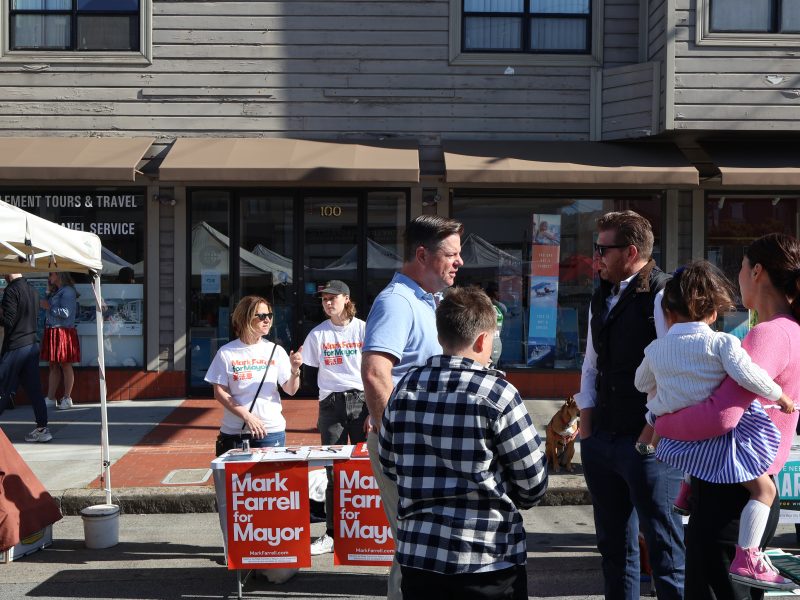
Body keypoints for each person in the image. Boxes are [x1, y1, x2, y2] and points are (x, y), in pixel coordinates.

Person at [634, 260, 795, 591]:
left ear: (666, 313)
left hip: (682, 441)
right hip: (725, 443)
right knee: (764, 490)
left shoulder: (655, 349)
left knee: (697, 462)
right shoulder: (722, 343)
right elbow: (749, 377)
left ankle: (684, 493)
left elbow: (640, 383)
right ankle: (747, 557)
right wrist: (780, 396)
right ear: (712, 313)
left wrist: (664, 385)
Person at [378, 286, 548, 600]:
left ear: (441, 335)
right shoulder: (499, 394)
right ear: (484, 339)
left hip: (420, 559)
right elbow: (533, 483)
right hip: (488, 560)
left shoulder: (403, 390)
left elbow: (389, 464)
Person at [574, 210, 684, 600]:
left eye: (603, 248)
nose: (597, 256)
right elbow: (591, 366)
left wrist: (648, 434)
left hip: (648, 446)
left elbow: (677, 374)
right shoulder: (601, 293)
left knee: (666, 551)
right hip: (603, 438)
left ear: (631, 252)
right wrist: (588, 433)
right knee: (614, 552)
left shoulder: (661, 295)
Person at [362, 214, 464, 600]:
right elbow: (374, 373)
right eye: (451, 254)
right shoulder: (397, 302)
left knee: (419, 543)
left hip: (421, 444)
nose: (459, 262)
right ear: (422, 254)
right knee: (414, 544)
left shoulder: (427, 300)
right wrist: (396, 440)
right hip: (407, 445)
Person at [301, 279, 367, 556]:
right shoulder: (317, 335)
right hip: (331, 404)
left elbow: (378, 369)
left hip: (362, 401)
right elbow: (308, 372)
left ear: (346, 299)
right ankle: (332, 532)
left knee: (366, 467)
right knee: (333, 471)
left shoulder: (364, 328)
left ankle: (368, 527)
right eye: (324, 299)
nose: (328, 303)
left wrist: (376, 410)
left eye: (333, 298)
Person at [205, 295, 303, 451]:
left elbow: (290, 390)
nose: (267, 320)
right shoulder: (227, 352)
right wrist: (247, 417)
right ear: (245, 318)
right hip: (235, 432)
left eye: (269, 315)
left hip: (270, 431)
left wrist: (294, 370)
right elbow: (219, 392)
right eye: (262, 316)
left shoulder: (275, 350)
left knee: (271, 476)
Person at [0, 274, 50, 442]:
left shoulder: (11, 290)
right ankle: (43, 428)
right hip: (31, 344)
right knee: (35, 390)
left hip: (16, 345)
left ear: (9, 273)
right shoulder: (33, 291)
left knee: (2, 385)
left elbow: (8, 321)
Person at [40, 272, 81, 410]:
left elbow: (66, 313)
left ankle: (67, 397)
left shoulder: (68, 291)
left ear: (59, 275)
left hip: (63, 331)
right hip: (53, 329)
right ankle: (51, 397)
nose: (49, 277)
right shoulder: (57, 291)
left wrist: (49, 306)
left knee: (65, 365)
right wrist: (48, 294)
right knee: (53, 365)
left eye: (51, 274)